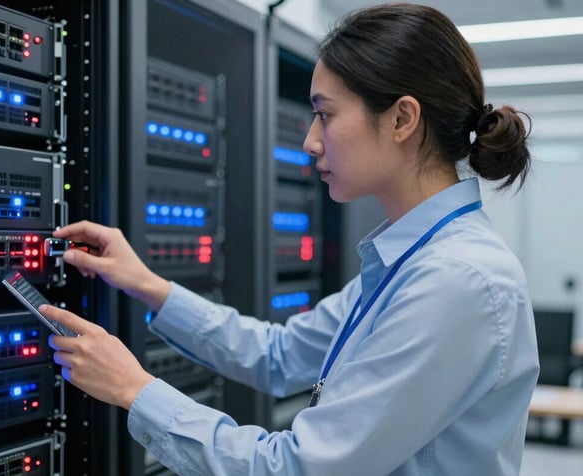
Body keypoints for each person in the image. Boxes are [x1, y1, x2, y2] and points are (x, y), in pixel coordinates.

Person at [41, 3, 539, 475]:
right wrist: (147, 285)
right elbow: (278, 355)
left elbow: (297, 467)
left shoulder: (455, 280)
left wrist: (135, 389)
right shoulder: (411, 258)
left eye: (325, 114)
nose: (310, 141)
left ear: (402, 119)